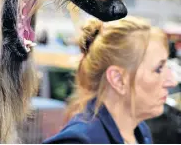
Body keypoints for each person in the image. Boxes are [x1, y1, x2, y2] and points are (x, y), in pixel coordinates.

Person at [43, 16, 178, 144]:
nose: (172, 81)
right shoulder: (79, 141)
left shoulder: (140, 132)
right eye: (158, 69)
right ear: (118, 79)